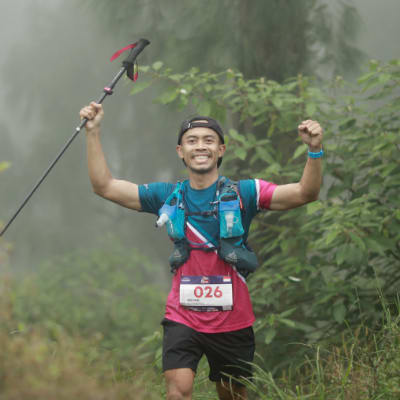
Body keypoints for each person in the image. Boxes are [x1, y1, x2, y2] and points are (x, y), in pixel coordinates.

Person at [79, 102, 323, 400]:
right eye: (192, 141)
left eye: (209, 140)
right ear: (180, 151)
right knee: (177, 392)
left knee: (232, 396)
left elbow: (304, 193)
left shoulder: (245, 192)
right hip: (183, 317)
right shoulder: (166, 196)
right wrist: (93, 133)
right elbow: (104, 186)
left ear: (221, 149)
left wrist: (314, 151)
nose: (200, 146)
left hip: (233, 320)